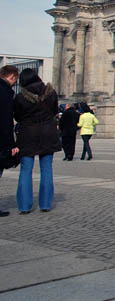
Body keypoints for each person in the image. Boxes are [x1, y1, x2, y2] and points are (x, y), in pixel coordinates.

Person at [13, 69, 61, 213]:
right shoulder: (51, 93)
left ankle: (24, 206)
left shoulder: (20, 97)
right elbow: (54, 111)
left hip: (28, 134)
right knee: (46, 169)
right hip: (48, 133)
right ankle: (45, 204)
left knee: (26, 170)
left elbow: (17, 116)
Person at [0, 66, 20, 217]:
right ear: (12, 76)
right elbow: (6, 121)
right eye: (15, 80)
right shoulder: (5, 92)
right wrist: (11, 144)